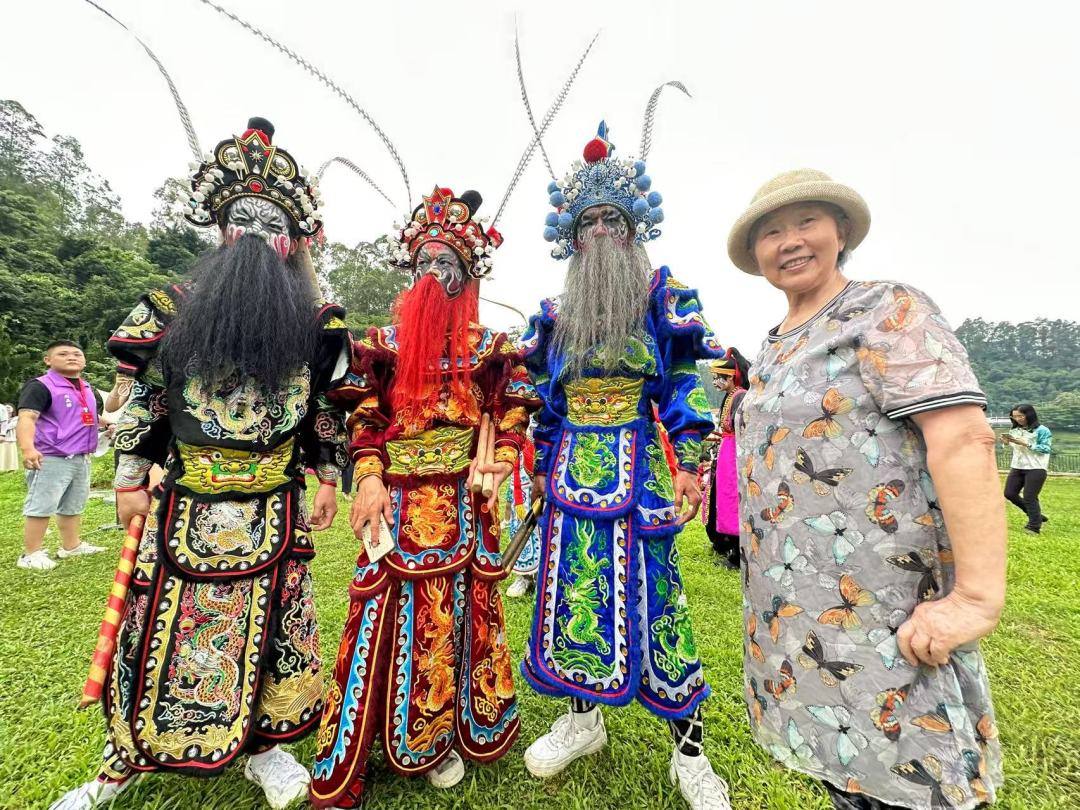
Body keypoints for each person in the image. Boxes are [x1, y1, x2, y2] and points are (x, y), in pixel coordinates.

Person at [51, 118, 350, 810]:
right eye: (242, 218)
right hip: (187, 500)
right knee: (155, 622)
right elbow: (150, 397)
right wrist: (129, 476)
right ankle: (123, 759)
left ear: (294, 239)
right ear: (220, 230)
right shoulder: (175, 310)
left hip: (277, 501)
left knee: (279, 626)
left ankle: (267, 749)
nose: (255, 234)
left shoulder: (315, 322)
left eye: (271, 223)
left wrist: (330, 476)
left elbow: (323, 408)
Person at [728, 169, 1005, 810]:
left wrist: (974, 597)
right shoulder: (774, 343)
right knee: (846, 773)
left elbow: (963, 438)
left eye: (806, 222)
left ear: (842, 230)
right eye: (772, 231)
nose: (790, 241)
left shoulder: (886, 310)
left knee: (913, 769)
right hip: (797, 610)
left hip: (885, 609)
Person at [519, 121, 731, 810]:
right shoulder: (555, 318)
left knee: (661, 605)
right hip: (568, 485)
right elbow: (546, 407)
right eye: (590, 222)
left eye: (614, 219)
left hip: (641, 480)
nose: (602, 231)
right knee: (572, 599)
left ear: (635, 230)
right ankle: (583, 723)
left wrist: (691, 463)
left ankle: (690, 753)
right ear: (574, 237)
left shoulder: (661, 299)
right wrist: (538, 467)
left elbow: (684, 389)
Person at [310, 187, 539, 808]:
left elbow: (511, 412)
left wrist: (502, 459)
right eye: (425, 262)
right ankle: (362, 739)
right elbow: (365, 417)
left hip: (466, 501)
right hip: (397, 500)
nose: (434, 273)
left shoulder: (491, 347)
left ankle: (445, 734)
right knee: (377, 612)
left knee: (460, 612)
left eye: (447, 263)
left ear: (466, 275)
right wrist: (368, 478)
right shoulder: (382, 344)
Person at [15, 340, 106, 570]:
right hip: (51, 456)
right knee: (42, 504)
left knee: (73, 504)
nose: (71, 357)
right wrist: (28, 448)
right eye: (63, 354)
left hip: (81, 456)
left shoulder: (86, 387)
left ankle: (71, 546)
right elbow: (27, 417)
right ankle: (31, 554)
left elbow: (87, 415)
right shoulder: (40, 386)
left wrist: (108, 424)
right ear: (48, 360)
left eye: (77, 354)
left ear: (84, 360)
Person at [701, 348, 749, 569]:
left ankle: (736, 552)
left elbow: (741, 430)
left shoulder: (740, 396)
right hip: (727, 450)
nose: (714, 383)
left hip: (734, 453)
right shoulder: (731, 396)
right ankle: (723, 543)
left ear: (730, 378)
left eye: (717, 378)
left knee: (731, 499)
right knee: (721, 497)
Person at [1001, 403, 1051, 533]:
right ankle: (1037, 516)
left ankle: (1034, 526)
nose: (1018, 419)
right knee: (1009, 493)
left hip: (1036, 467)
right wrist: (1006, 442)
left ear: (1029, 415)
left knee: (1030, 496)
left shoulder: (1042, 430)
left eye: (1020, 416)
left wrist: (1027, 444)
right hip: (1017, 466)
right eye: (1014, 417)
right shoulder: (1015, 430)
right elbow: (1015, 447)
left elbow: (1046, 448)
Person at [506, 431, 542, 597]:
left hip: (555, 447)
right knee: (520, 518)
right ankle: (524, 576)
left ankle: (546, 575)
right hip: (525, 451)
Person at [1, 402, 19, 472]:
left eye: (9, 407)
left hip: (11, 439)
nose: (7, 409)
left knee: (11, 455)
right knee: (2, 455)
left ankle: (12, 469)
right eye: (6, 407)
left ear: (13, 409)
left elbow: (9, 426)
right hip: (1, 440)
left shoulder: (16, 418)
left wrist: (3, 425)